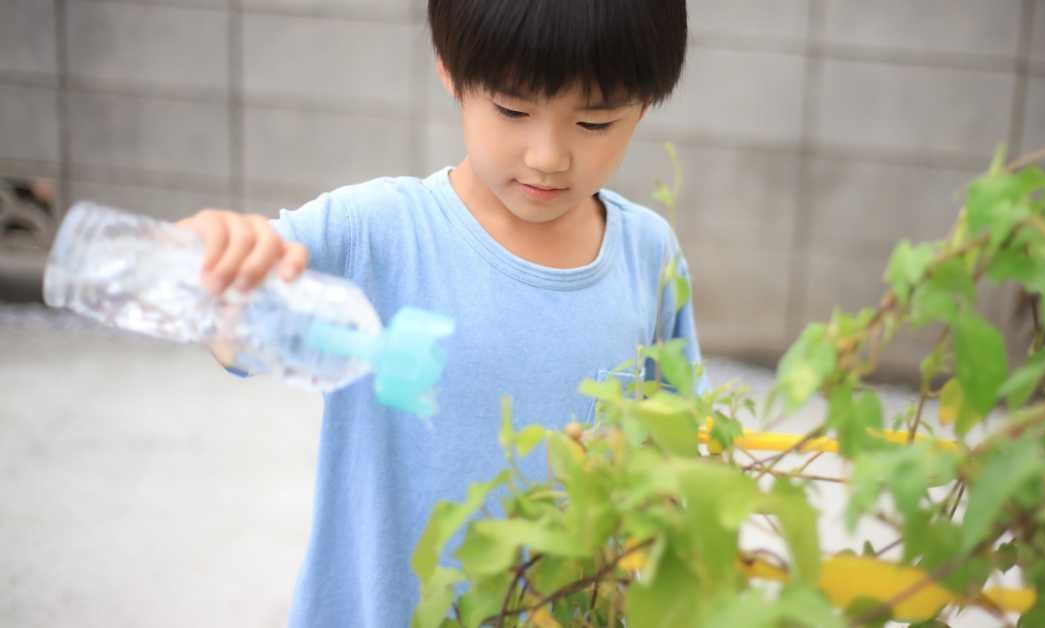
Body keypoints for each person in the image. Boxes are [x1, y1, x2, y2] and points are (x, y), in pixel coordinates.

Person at [177, 0, 699, 625]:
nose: (548, 156)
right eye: (512, 110)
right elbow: (220, 318)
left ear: (644, 105)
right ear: (451, 71)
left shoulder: (650, 256)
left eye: (595, 122)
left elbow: (675, 459)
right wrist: (208, 256)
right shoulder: (375, 233)